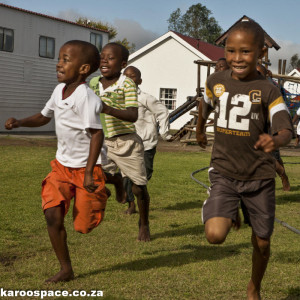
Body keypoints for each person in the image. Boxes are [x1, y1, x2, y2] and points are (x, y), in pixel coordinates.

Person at [196, 20, 293, 300]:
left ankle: (255, 286)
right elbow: (205, 103)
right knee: (215, 235)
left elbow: (286, 128)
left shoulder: (268, 90)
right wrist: (201, 130)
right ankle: (225, 205)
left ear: (261, 53)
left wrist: (275, 140)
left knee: (262, 243)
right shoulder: (215, 82)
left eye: (246, 52)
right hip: (224, 172)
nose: (237, 58)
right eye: (231, 50)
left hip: (259, 178)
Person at [5, 40, 108, 283]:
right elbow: (43, 117)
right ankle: (66, 269)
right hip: (61, 166)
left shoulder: (87, 98)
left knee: (84, 226)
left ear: (83, 69)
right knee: (52, 215)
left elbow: (97, 134)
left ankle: (105, 185)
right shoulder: (58, 91)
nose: (58, 63)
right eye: (59, 58)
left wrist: (89, 172)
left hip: (86, 168)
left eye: (65, 59)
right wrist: (20, 122)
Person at [89, 43, 151, 241]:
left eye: (110, 58)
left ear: (123, 63)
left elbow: (133, 115)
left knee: (138, 188)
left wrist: (107, 108)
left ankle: (144, 223)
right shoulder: (93, 83)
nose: (104, 60)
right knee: (94, 176)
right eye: (102, 57)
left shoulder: (127, 84)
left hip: (126, 142)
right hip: (102, 141)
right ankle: (116, 181)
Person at [122, 66, 172, 214]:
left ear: (140, 80)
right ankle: (131, 205)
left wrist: (164, 132)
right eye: (126, 76)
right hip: (127, 142)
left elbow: (163, 112)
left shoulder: (145, 98)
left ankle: (138, 191)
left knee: (145, 172)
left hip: (146, 142)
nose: (129, 79)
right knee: (125, 175)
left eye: (133, 76)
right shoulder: (119, 98)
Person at [256, 63, 290, 191]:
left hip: (270, 127)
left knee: (273, 157)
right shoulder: (248, 87)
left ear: (265, 75)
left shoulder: (271, 89)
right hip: (254, 128)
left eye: (260, 73)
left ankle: (282, 175)